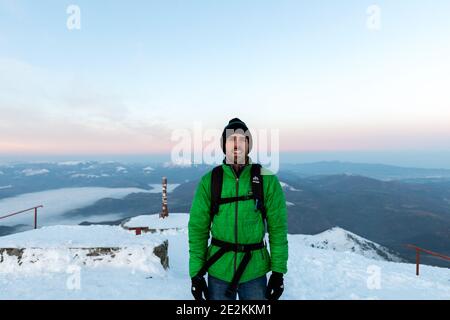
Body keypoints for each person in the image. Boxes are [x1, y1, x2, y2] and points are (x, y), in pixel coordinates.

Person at [188, 118, 288, 300]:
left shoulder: (267, 179)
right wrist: (196, 273)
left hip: (254, 273)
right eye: (231, 139)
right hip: (219, 270)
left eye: (242, 139)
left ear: (249, 145)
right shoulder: (210, 181)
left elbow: (278, 228)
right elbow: (198, 228)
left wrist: (278, 272)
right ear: (223, 145)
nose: (237, 144)